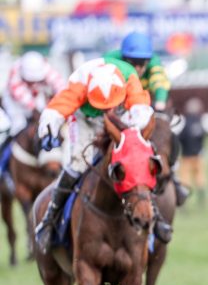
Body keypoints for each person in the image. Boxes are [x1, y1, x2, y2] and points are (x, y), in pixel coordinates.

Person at [33, 56, 171, 253]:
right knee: (78, 163)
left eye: (110, 104)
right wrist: (48, 131)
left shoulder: (129, 77)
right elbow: (56, 109)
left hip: (122, 116)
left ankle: (154, 215)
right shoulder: (79, 83)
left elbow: (141, 109)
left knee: (136, 160)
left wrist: (133, 137)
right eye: (103, 105)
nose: (107, 109)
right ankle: (49, 219)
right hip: (85, 119)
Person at [104, 32, 189, 205]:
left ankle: (172, 175)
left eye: (142, 63)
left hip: (144, 109)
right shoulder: (109, 61)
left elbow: (160, 83)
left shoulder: (154, 62)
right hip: (114, 108)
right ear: (123, 58)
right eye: (133, 63)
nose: (138, 68)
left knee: (169, 135)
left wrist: (160, 102)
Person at [2, 50, 65, 140]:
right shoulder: (15, 75)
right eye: (31, 80)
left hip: (36, 95)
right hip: (14, 102)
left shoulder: (47, 69)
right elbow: (26, 100)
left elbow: (61, 88)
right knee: (18, 124)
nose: (34, 82)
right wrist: (37, 112)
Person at [178, 98, 207, 208]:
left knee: (185, 180)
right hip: (198, 155)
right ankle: (202, 198)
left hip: (186, 156)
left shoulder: (186, 123)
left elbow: (181, 137)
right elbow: (203, 136)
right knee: (200, 177)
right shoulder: (199, 122)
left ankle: (184, 201)